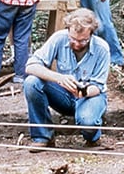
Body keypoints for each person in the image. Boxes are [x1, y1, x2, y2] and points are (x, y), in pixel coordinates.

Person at [23, 8, 110, 150]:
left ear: (91, 34)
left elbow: (98, 87)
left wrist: (82, 92)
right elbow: (31, 66)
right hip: (62, 95)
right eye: (73, 39)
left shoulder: (102, 49)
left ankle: (92, 137)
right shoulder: (59, 38)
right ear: (68, 30)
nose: (76, 44)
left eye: (83, 41)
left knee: (87, 120)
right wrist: (59, 78)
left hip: (90, 96)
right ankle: (42, 137)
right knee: (31, 83)